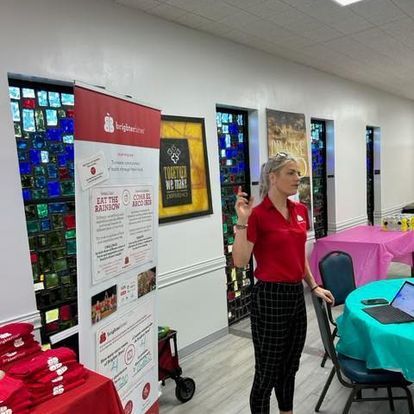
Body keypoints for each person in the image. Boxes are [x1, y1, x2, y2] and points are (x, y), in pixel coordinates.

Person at [232, 152, 334, 414]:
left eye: (298, 173)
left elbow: (298, 254)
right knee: (267, 372)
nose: (297, 178)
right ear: (272, 177)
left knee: (290, 367)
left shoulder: (300, 210)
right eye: (291, 173)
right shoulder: (256, 215)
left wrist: (313, 285)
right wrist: (242, 222)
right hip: (269, 297)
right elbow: (241, 261)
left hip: (295, 296)